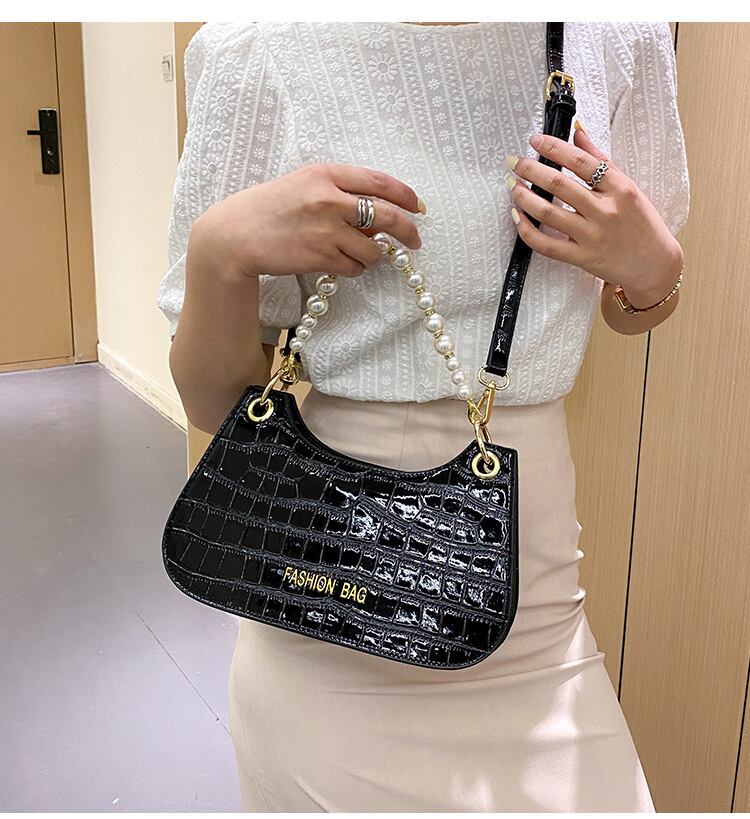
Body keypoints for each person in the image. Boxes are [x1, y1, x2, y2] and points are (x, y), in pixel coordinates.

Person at [157, 21, 689, 812]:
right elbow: (213, 404)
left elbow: (633, 301)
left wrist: (655, 269)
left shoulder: (618, 33)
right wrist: (219, 251)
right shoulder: (255, 47)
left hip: (537, 619)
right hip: (323, 608)